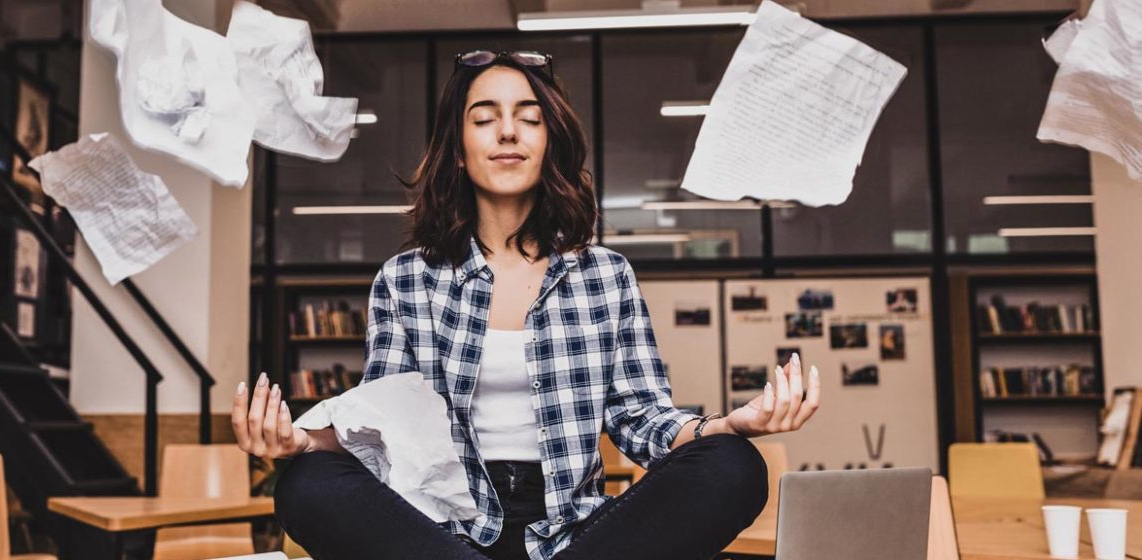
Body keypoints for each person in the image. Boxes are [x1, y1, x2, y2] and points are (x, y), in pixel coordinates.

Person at [232, 50, 822, 560]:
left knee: (734, 467)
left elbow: (643, 419)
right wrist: (300, 443)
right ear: (459, 152)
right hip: (445, 534)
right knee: (305, 483)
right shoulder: (405, 279)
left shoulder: (605, 276)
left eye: (528, 119)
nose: (508, 133)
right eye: (484, 119)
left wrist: (726, 426)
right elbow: (386, 427)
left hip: (578, 535)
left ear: (549, 145)